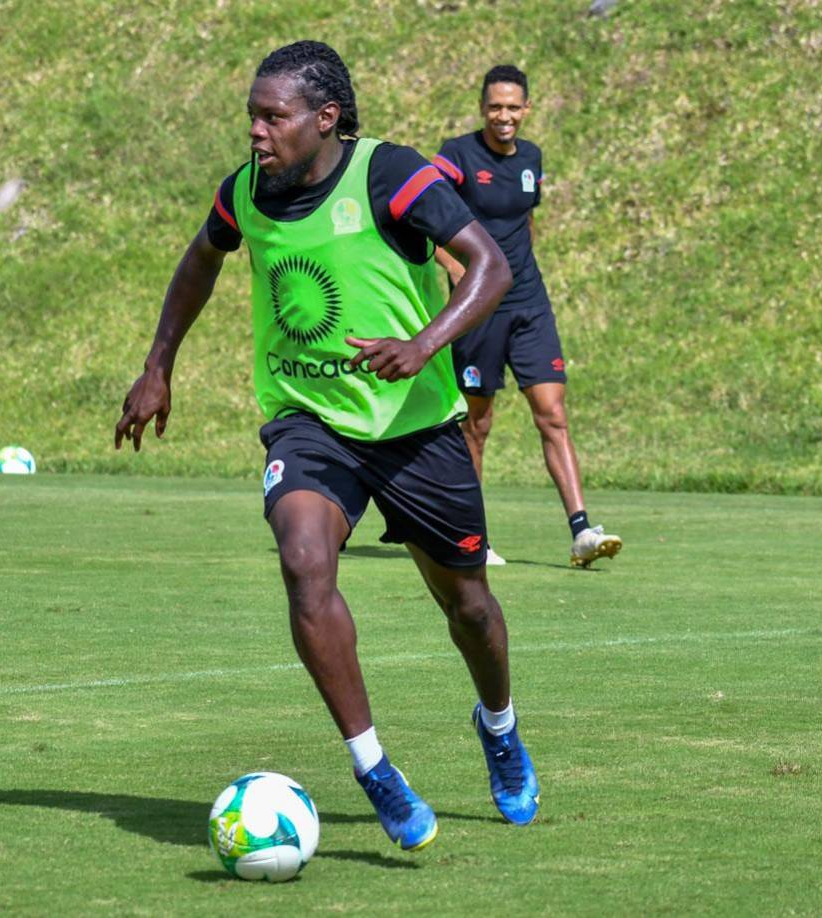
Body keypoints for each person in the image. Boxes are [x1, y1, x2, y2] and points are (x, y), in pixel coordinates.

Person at [115, 41, 539, 849]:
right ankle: (374, 768)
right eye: (251, 115)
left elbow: (488, 269)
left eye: (272, 117)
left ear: (325, 118)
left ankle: (499, 728)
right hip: (308, 423)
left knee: (471, 609)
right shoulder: (245, 192)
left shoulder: (390, 175)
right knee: (303, 561)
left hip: (415, 428)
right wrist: (157, 365)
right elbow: (199, 259)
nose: (256, 131)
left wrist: (420, 344)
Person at [433, 65, 622, 568]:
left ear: (527, 109)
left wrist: (517, 273)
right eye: (495, 106)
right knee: (477, 424)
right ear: (482, 108)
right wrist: (457, 271)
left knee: (553, 415)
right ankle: (474, 539)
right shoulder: (456, 155)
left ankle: (582, 530)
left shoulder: (531, 158)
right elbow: (426, 216)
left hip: (528, 305)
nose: (504, 116)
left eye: (513, 107)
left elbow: (525, 221)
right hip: (478, 309)